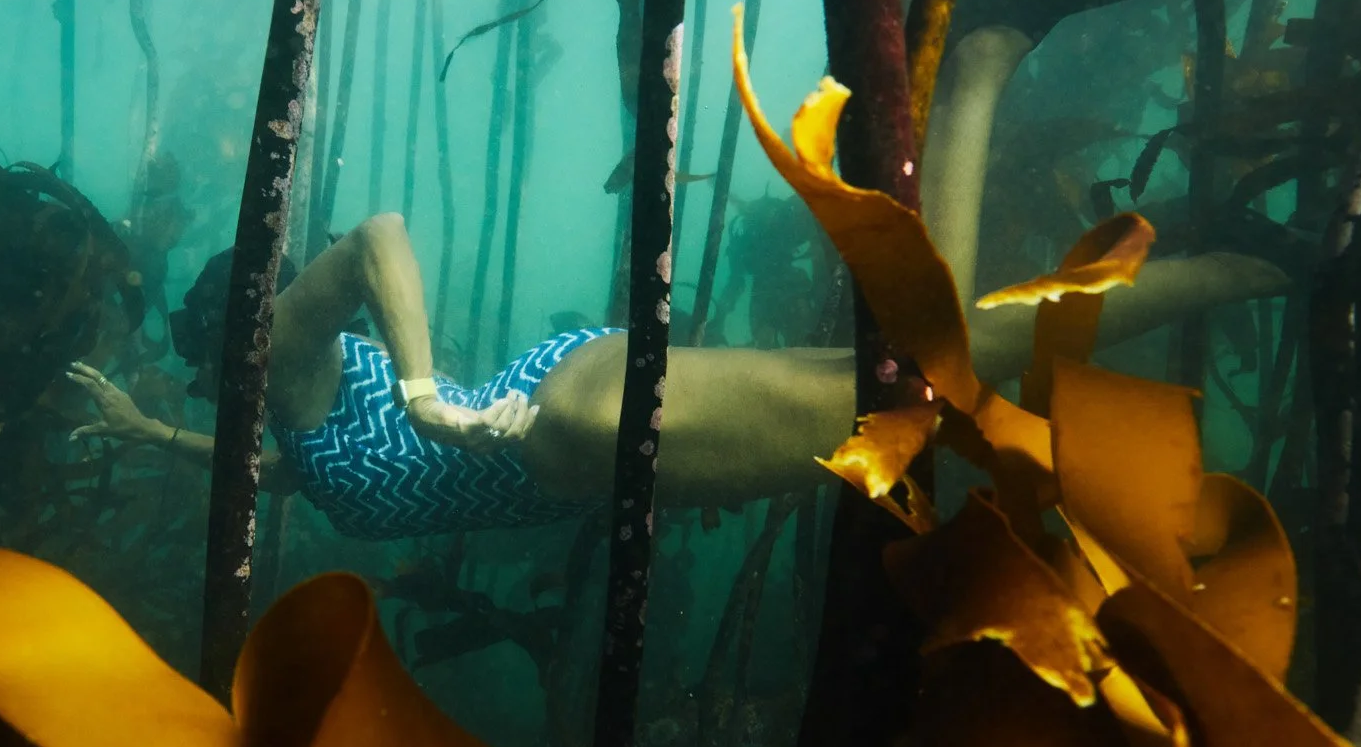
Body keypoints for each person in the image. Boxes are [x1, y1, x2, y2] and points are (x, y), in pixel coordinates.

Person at [68, 211, 1288, 541]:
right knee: (907, 383)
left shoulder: (281, 340)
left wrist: (431, 394)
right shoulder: (283, 413)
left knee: (911, 391)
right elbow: (288, 475)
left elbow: (378, 236)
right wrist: (146, 436)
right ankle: (1228, 261)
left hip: (563, 423)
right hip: (572, 445)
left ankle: (1247, 270)